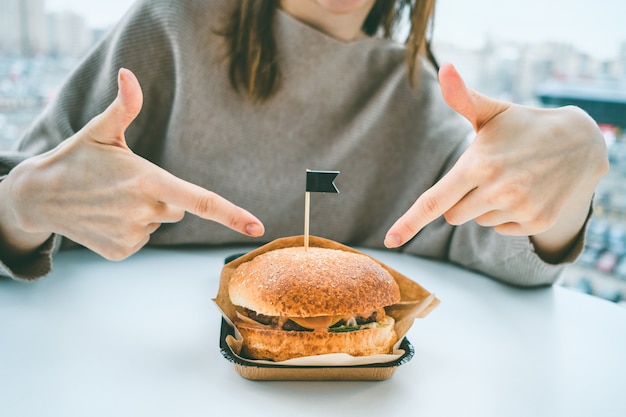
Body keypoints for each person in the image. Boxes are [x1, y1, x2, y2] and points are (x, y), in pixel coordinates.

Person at [0, 0, 608, 285]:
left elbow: (509, 253)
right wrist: (22, 208)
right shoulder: (167, 29)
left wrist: (563, 198)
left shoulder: (420, 93)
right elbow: (26, 193)